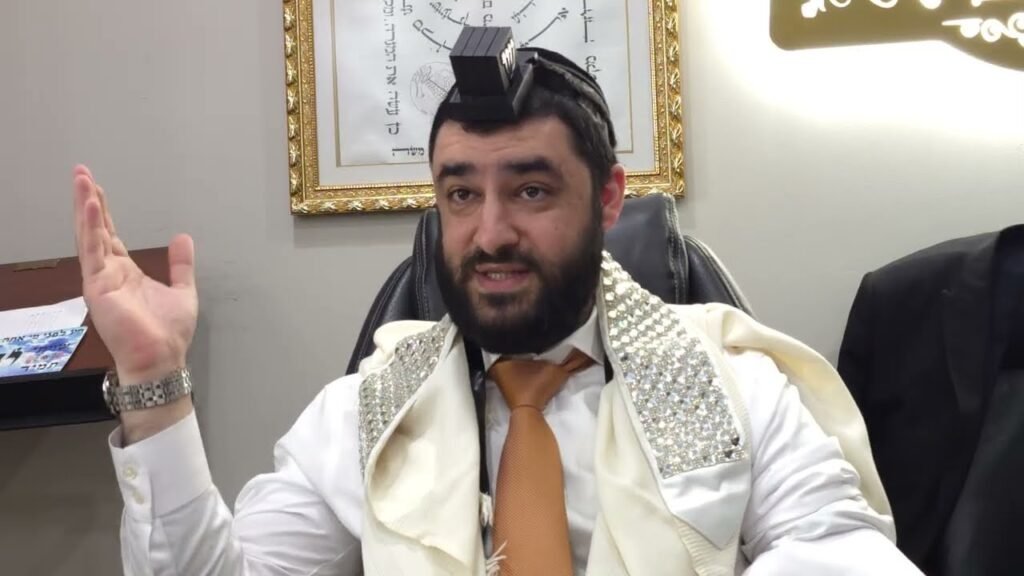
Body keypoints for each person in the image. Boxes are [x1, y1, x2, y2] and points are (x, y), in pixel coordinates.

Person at [72, 47, 923, 576]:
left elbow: (839, 550)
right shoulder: (367, 415)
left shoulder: (738, 389)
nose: (490, 233)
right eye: (460, 193)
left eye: (530, 188)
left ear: (611, 199)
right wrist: (155, 384)